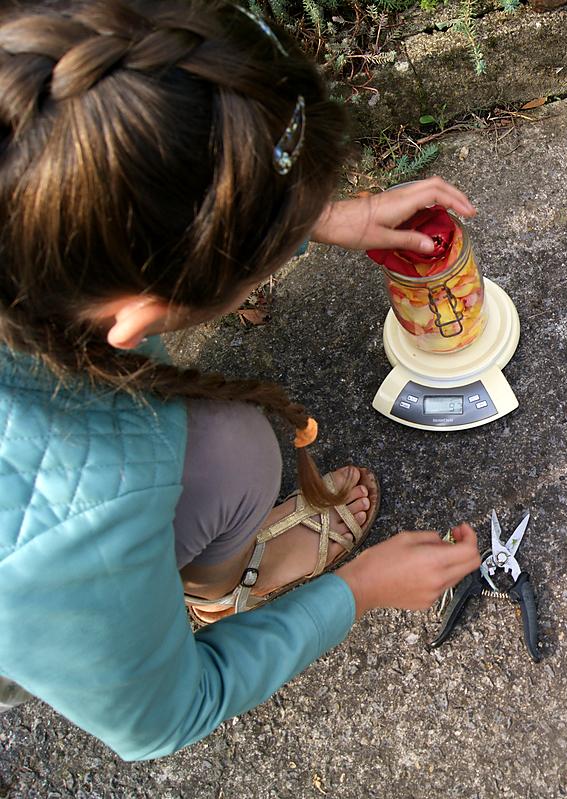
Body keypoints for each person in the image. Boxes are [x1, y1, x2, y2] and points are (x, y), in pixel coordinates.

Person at [0, 0, 482, 760]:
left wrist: (309, 210)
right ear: (142, 312)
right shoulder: (61, 536)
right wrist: (357, 592)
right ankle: (219, 593)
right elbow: (162, 718)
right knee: (237, 451)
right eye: (271, 256)